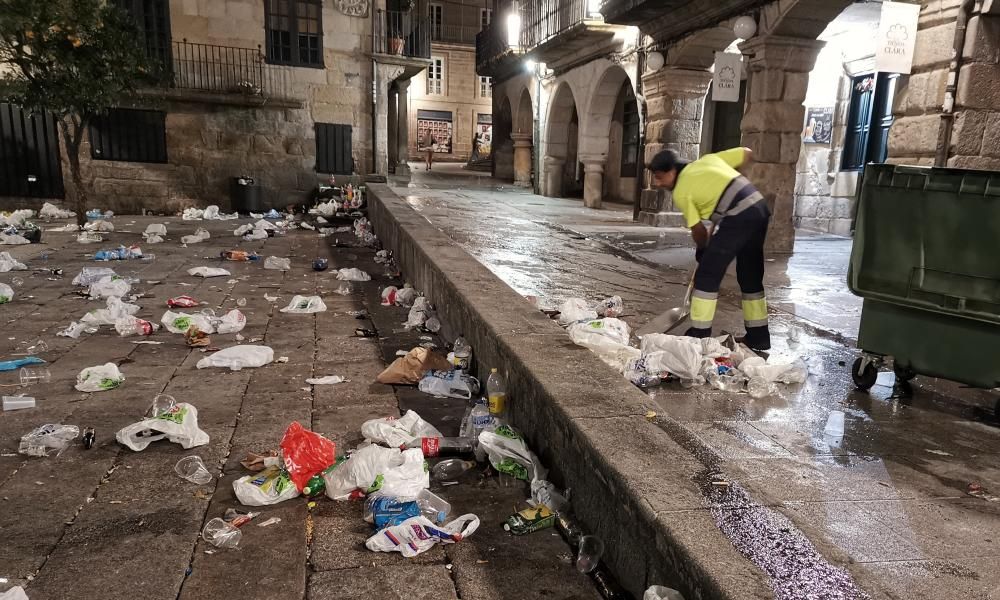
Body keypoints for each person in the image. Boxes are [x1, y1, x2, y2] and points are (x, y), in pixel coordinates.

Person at [648, 147, 771, 351]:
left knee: (707, 275)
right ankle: (758, 337)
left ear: (673, 171)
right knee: (750, 276)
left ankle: (699, 334)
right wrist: (739, 186)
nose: (658, 183)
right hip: (758, 208)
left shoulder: (681, 191)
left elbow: (698, 231)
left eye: (661, 177)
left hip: (737, 216)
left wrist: (703, 250)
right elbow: (748, 152)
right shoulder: (708, 160)